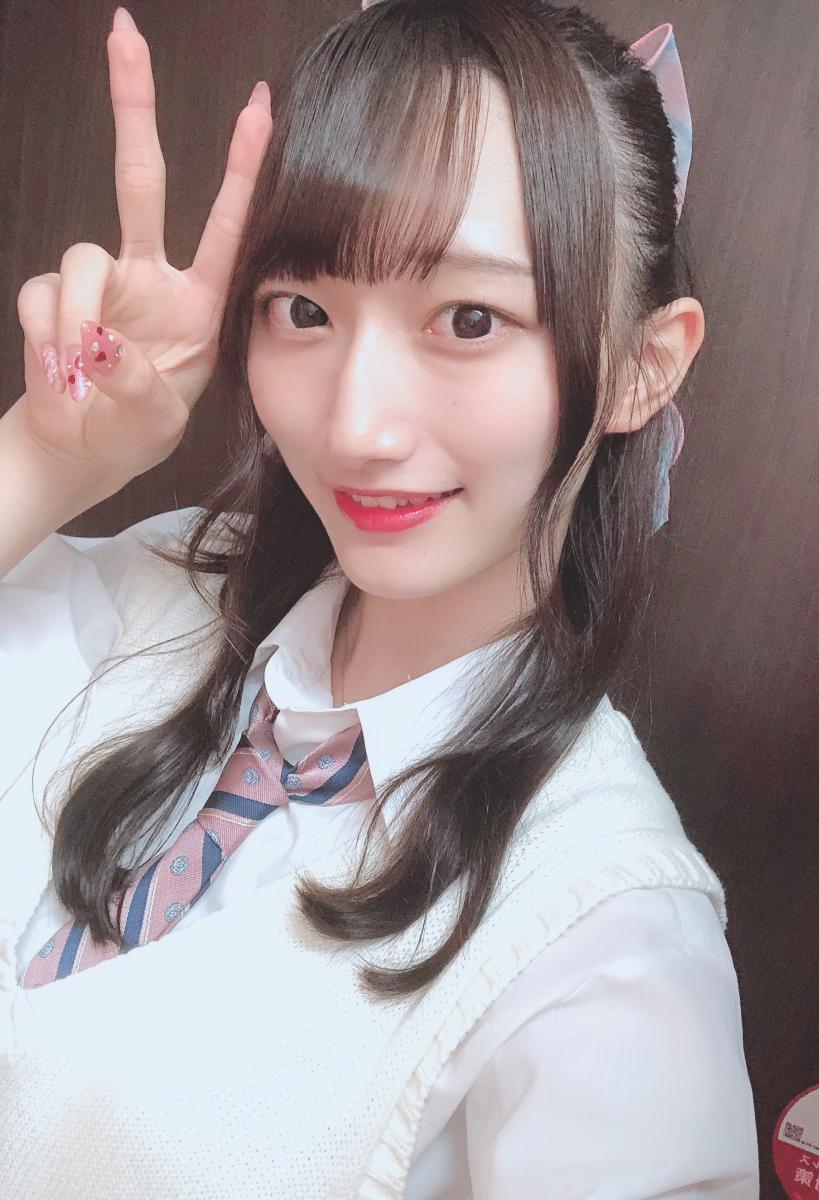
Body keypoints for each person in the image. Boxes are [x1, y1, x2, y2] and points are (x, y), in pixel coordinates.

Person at [0, 1, 759, 1197]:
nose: (355, 426)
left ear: (641, 365)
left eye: (470, 319)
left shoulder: (605, 953)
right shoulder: (166, 587)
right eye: (304, 310)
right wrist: (47, 462)